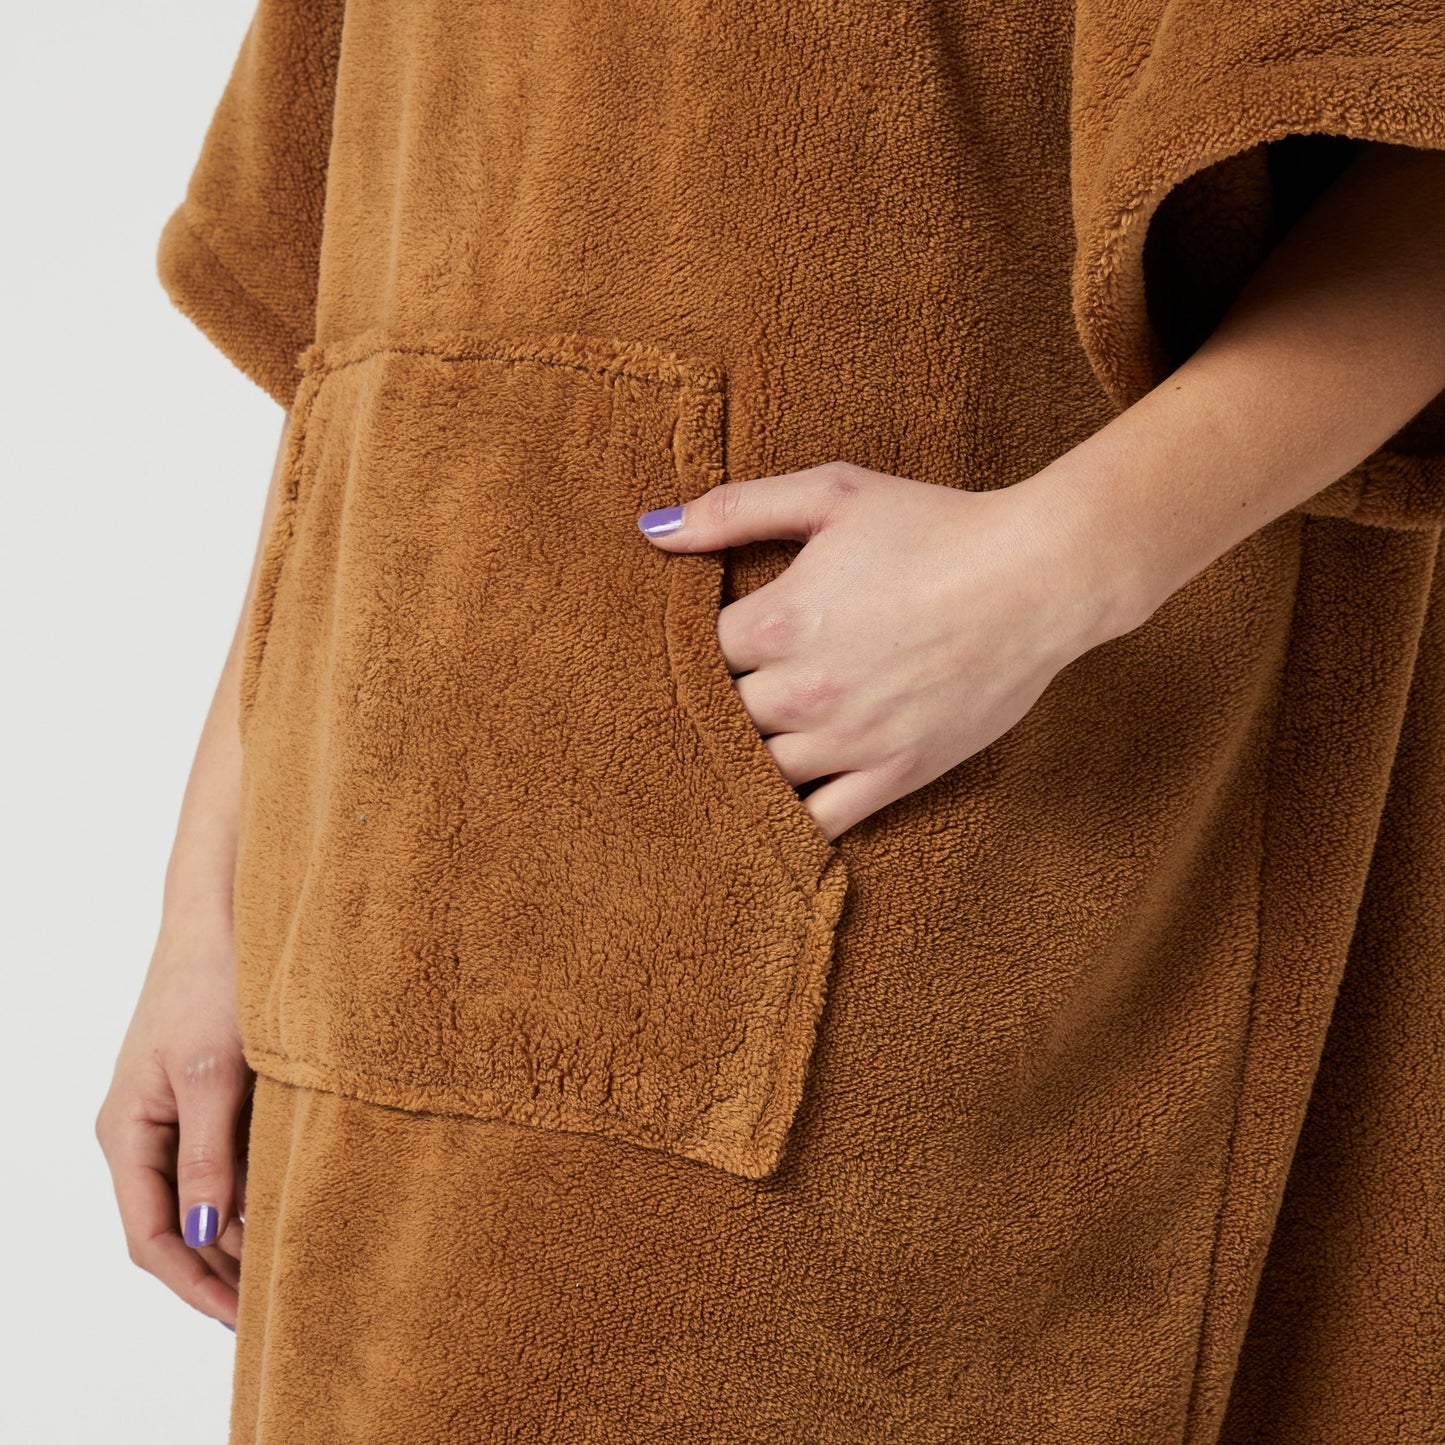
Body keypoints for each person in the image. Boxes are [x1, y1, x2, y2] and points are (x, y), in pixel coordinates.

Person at [96, 1, 1445, 1440]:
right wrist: (210, 895)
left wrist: (1062, 562)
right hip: (375, 925)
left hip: (933, 884)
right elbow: (367, 331)